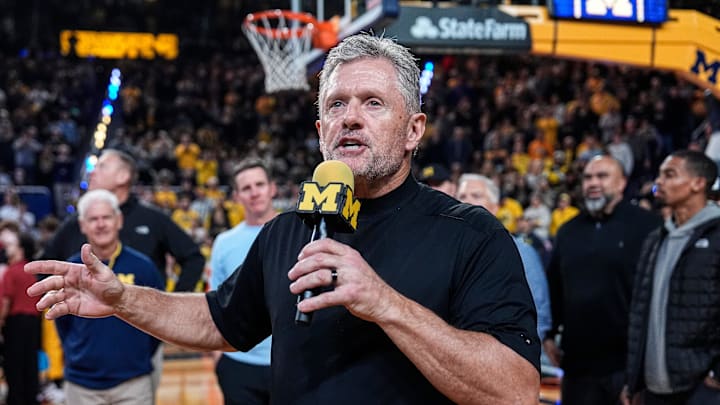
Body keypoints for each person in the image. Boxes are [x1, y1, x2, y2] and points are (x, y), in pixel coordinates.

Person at [26, 34, 540, 404]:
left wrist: (384, 303)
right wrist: (122, 300)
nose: (350, 117)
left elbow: (515, 390)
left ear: (414, 130)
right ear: (321, 130)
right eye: (336, 104)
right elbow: (217, 320)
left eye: (373, 103)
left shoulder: (471, 233)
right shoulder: (287, 230)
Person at [40, 148, 204, 393]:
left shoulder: (152, 219)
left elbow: (193, 258)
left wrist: (168, 307)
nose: (93, 171)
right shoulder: (78, 223)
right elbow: (45, 269)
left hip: (141, 344)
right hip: (88, 348)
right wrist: (71, 330)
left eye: (103, 166)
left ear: (124, 176)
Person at [543, 155, 661, 404]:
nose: (593, 183)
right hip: (578, 363)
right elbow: (554, 287)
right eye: (588, 177)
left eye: (602, 176)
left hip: (629, 364)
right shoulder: (567, 231)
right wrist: (550, 334)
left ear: (621, 183)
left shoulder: (649, 226)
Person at [622, 150, 720, 405]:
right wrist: (633, 380)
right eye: (660, 175)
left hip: (703, 388)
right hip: (654, 388)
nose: (659, 182)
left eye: (670, 175)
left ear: (698, 183)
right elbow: (639, 313)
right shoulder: (655, 239)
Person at [55, 189, 163, 404]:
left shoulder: (143, 267)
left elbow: (158, 320)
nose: (101, 224)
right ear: (82, 225)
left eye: (106, 217)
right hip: (81, 385)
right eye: (93, 219)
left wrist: (137, 356)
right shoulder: (71, 269)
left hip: (133, 382)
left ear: (119, 220)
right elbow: (62, 322)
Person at [209, 159, 277, 404]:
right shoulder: (224, 243)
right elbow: (215, 299)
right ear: (237, 196)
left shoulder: (297, 231)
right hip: (239, 364)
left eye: (259, 184)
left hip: (289, 362)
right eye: (246, 188)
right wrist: (218, 359)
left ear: (273, 188)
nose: (254, 192)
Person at [456, 173, 552, 345]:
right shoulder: (449, 253)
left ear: (495, 208)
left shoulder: (521, 251)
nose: (467, 201)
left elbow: (540, 314)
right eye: (461, 196)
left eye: (476, 196)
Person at [0, 221, 40, 405]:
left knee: (14, 367)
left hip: (15, 324)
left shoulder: (11, 272)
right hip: (34, 323)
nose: (7, 249)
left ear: (20, 249)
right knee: (30, 366)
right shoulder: (33, 272)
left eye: (12, 246)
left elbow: (5, 302)